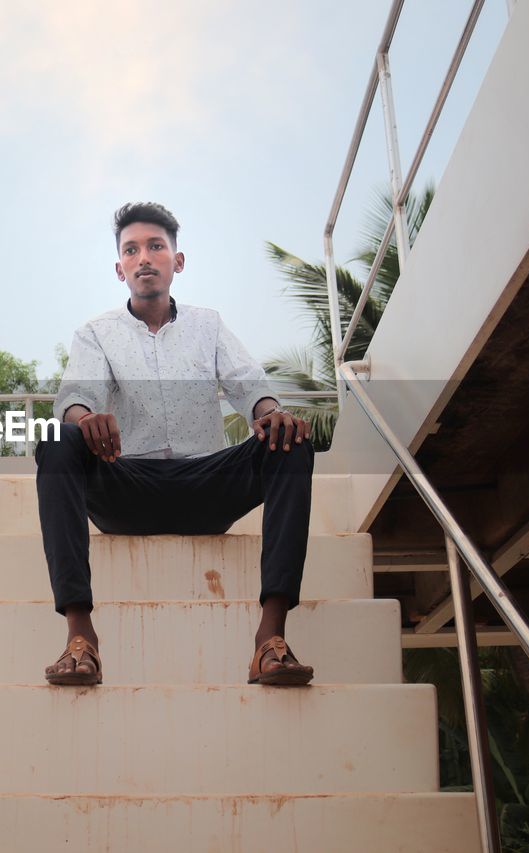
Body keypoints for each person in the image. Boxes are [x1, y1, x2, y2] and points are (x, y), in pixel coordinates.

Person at [35, 201, 315, 688]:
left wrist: (272, 415)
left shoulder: (208, 325)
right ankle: (81, 638)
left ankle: (270, 639)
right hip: (128, 486)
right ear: (119, 268)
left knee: (289, 439)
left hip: (204, 485)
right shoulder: (96, 333)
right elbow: (75, 397)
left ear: (176, 261)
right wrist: (85, 419)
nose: (144, 257)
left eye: (156, 247)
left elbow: (250, 386)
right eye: (131, 250)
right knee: (56, 436)